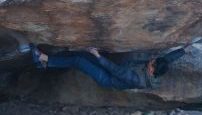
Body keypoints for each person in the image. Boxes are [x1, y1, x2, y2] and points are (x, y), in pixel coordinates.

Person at [31, 45, 187, 90]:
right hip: (114, 70)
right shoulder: (160, 67)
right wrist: (184, 49)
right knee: (82, 55)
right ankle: (46, 63)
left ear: (152, 70)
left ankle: (43, 58)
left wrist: (99, 56)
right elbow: (168, 59)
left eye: (152, 62)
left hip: (108, 78)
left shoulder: (137, 80)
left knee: (78, 61)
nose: (151, 60)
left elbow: (116, 71)